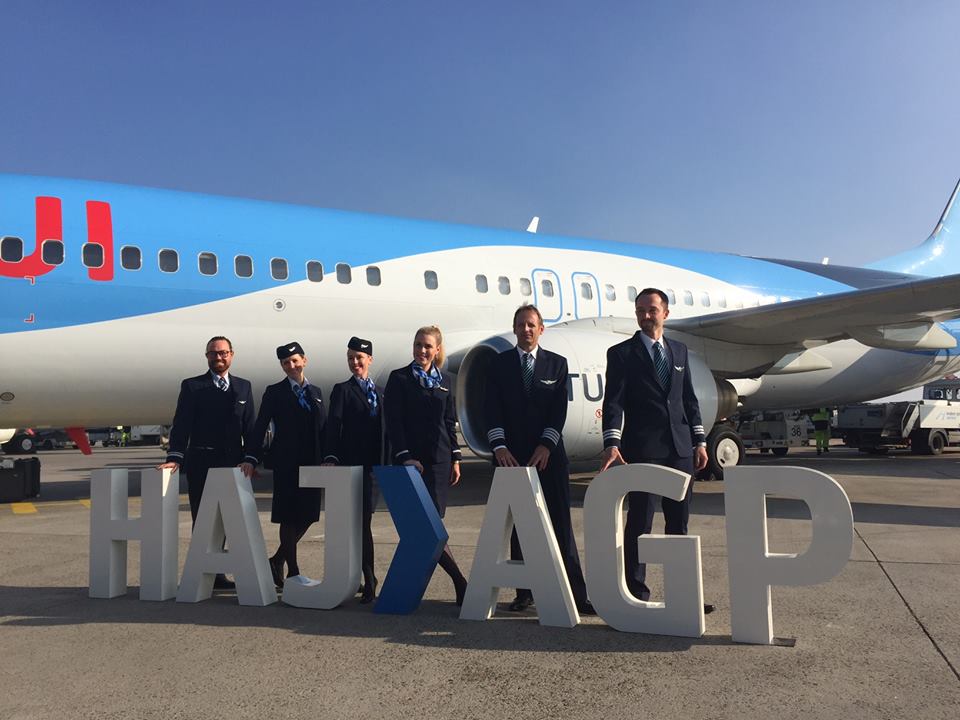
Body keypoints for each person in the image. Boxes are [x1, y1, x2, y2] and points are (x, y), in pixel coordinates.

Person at [599, 288, 712, 610]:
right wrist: (612, 443)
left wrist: (700, 441)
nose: (645, 316)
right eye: (640, 311)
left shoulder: (679, 351)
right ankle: (636, 594)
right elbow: (613, 402)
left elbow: (688, 399)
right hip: (643, 449)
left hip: (680, 449)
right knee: (640, 522)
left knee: (679, 524)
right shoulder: (621, 353)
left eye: (651, 310)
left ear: (665, 313)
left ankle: (684, 595)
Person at [485, 305, 595, 615]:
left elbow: (559, 411)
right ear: (514, 328)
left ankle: (576, 593)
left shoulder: (557, 364)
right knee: (521, 527)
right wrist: (499, 447)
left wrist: (546, 446)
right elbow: (490, 408)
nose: (526, 330)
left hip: (549, 458)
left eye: (531, 325)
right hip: (511, 458)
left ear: (541, 329)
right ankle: (525, 592)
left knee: (560, 524)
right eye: (521, 325)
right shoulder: (499, 364)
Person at [158, 335, 255, 590]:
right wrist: (175, 456)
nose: (218, 357)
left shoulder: (243, 387)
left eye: (223, 353)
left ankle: (220, 571)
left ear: (231, 355)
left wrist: (251, 458)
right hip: (202, 462)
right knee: (203, 518)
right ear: (207, 357)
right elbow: (181, 424)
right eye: (213, 353)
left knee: (230, 519)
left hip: (233, 464)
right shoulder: (192, 386)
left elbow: (250, 426)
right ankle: (203, 573)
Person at [384, 325, 468, 605]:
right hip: (413, 463)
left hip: (440, 462)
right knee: (428, 527)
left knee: (430, 526)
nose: (421, 350)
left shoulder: (444, 381)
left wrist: (456, 458)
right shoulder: (399, 378)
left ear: (437, 350)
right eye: (418, 344)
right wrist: (405, 455)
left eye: (427, 346)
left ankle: (446, 584)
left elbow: (449, 421)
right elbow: (394, 422)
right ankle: (460, 581)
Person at [240, 342, 326, 589]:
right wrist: (251, 456)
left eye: (295, 361)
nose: (291, 366)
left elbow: (323, 427)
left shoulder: (315, 392)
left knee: (309, 515)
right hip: (286, 463)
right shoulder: (275, 392)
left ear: (304, 361)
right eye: (286, 363)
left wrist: (330, 456)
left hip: (312, 463)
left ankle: (277, 559)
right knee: (288, 516)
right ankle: (293, 571)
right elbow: (261, 425)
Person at [322, 336, 384, 604]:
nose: (355, 362)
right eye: (350, 358)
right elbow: (333, 425)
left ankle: (366, 577)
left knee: (363, 521)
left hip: (374, 468)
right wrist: (331, 456)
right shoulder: (342, 390)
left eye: (359, 357)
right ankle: (369, 579)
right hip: (352, 466)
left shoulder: (381, 392)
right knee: (360, 524)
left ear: (370, 359)